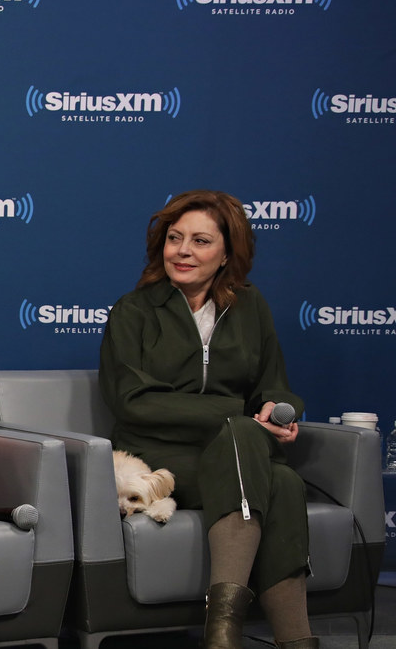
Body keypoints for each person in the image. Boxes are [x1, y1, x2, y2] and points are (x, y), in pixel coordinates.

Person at [99, 190, 315, 649]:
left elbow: (272, 381)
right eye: (174, 238)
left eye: (200, 241)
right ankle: (263, 639)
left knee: (271, 466)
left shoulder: (250, 306)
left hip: (234, 449)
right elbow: (133, 401)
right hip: (158, 453)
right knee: (278, 476)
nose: (183, 250)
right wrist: (237, 414)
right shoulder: (134, 310)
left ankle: (230, 635)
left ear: (226, 254)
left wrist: (280, 410)